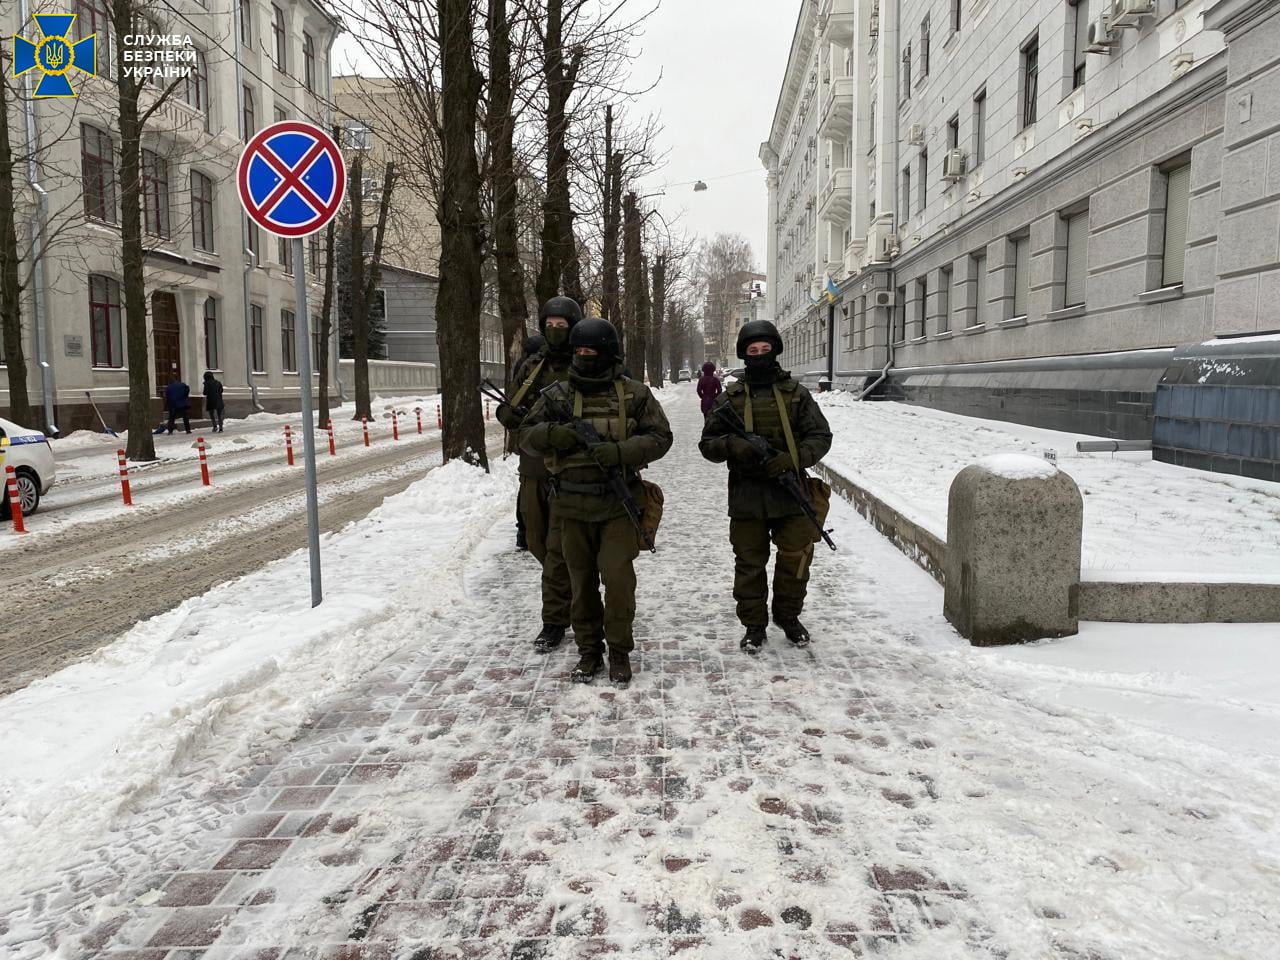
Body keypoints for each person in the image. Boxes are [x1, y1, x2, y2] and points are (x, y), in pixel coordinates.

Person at [520, 317, 673, 685]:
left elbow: (661, 436)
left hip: (618, 504)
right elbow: (526, 435)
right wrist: (555, 435)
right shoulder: (557, 395)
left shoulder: (634, 394)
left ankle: (619, 650)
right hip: (571, 506)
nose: (584, 357)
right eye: (579, 351)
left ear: (607, 353)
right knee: (581, 584)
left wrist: (620, 452)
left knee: (618, 581)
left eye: (591, 351)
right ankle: (589, 652)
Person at [698, 319, 832, 653]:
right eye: (752, 350)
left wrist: (793, 459)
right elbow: (708, 444)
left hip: (790, 492)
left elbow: (821, 436)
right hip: (747, 494)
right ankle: (754, 625)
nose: (759, 355)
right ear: (744, 355)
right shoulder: (731, 398)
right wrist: (736, 446)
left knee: (795, 560)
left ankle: (788, 617)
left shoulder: (796, 395)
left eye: (765, 349)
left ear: (775, 351)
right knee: (749, 564)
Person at [496, 297, 581, 652]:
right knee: (536, 539)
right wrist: (510, 417)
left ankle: (557, 619)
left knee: (565, 547)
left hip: (575, 466)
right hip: (533, 466)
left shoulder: (587, 360)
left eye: (563, 326)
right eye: (551, 325)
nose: (556, 331)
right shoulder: (532, 364)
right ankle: (569, 594)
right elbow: (512, 403)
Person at [511, 335, 546, 550]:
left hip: (529, 435)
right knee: (530, 486)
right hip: (532, 431)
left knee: (527, 487)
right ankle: (526, 531)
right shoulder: (530, 368)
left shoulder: (523, 365)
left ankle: (523, 530)